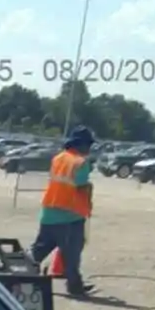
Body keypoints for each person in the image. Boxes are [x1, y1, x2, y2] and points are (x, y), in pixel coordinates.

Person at [31, 126, 96, 298]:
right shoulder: (81, 163)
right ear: (82, 145)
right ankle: (74, 286)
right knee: (72, 254)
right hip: (69, 216)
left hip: (49, 212)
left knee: (38, 251)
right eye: (88, 145)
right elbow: (82, 187)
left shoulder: (58, 158)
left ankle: (18, 273)